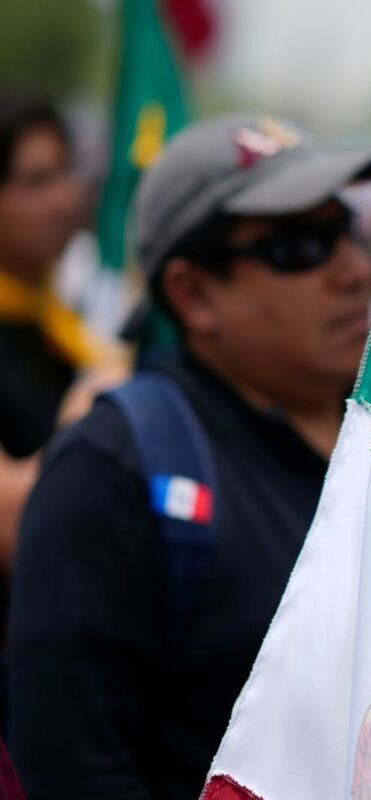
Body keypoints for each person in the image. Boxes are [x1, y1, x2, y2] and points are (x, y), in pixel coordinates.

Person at [8, 114, 371, 799]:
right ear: (193, 293)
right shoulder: (115, 468)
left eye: (346, 231)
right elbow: (69, 766)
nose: (355, 271)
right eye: (300, 245)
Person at [0, 90, 124, 571]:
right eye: (36, 180)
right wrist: (85, 421)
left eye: (66, 171)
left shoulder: (58, 324)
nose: (65, 199)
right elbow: (10, 526)